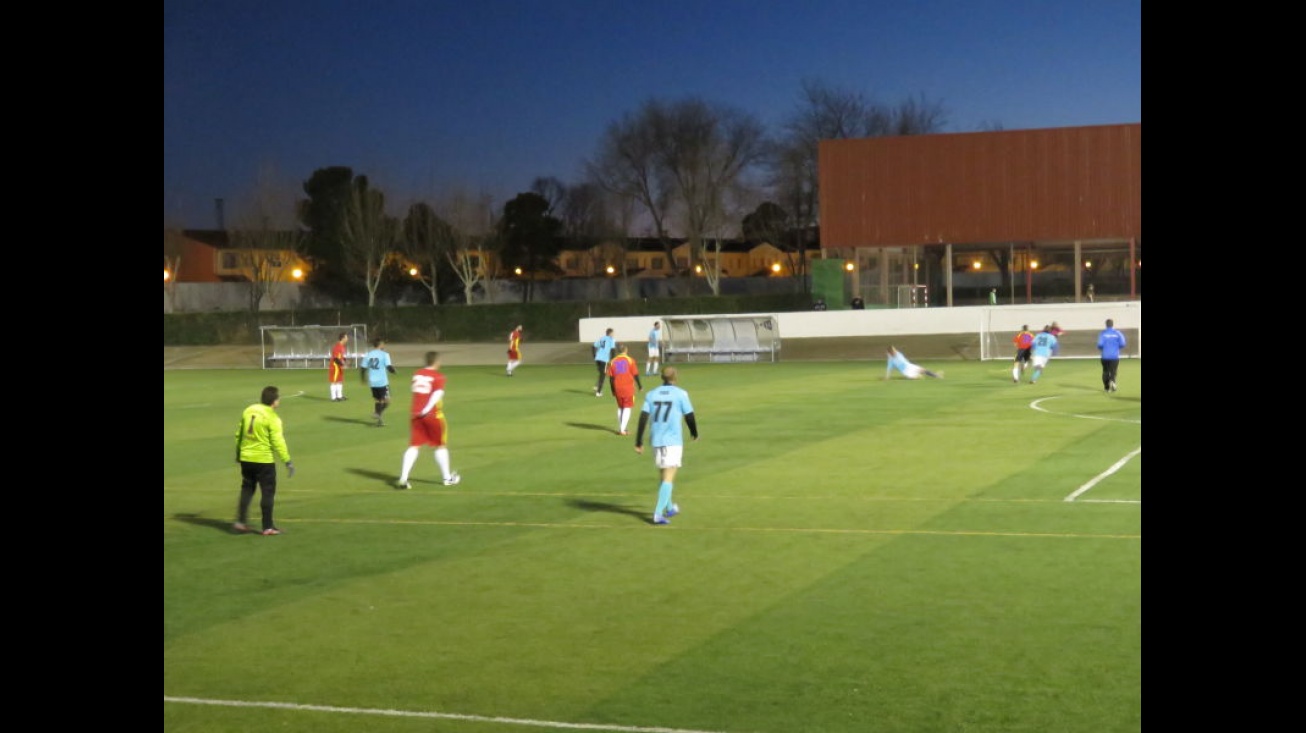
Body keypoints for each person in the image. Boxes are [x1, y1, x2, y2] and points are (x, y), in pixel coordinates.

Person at [634, 366, 698, 526]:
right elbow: (689, 415)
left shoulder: (651, 394)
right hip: (673, 441)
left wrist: (638, 441)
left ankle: (669, 507)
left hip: (656, 439)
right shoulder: (681, 394)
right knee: (669, 475)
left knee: (663, 474)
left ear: (662, 377)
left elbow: (643, 417)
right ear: (675, 377)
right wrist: (694, 432)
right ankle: (657, 513)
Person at [233, 385, 294, 536]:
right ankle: (267, 526)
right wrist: (287, 461)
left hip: (246, 458)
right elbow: (278, 441)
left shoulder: (249, 410)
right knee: (267, 492)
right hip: (263, 459)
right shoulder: (272, 417)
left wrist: (238, 453)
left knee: (247, 488)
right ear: (274, 401)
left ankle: (241, 522)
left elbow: (239, 433)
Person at [396, 351, 461, 489]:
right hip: (432, 414)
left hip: (415, 414)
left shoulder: (416, 373)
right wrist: (427, 409)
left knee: (414, 445)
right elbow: (437, 393)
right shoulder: (438, 376)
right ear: (436, 362)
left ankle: (403, 477)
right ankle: (447, 478)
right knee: (440, 445)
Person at [606, 344, 643, 435]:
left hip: (617, 386)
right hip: (628, 387)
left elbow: (611, 378)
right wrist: (640, 386)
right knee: (627, 407)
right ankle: (622, 430)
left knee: (620, 407)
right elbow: (635, 374)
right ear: (626, 350)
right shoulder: (630, 360)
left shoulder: (612, 361)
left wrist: (613, 390)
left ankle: (622, 428)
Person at [360, 337, 397, 426]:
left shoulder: (368, 354)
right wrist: (394, 371)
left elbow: (363, 368)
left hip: (373, 382)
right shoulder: (384, 354)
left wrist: (363, 379)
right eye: (383, 344)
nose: (384, 345)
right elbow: (389, 366)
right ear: (380, 345)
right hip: (382, 382)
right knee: (387, 401)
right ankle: (377, 413)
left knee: (378, 400)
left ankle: (379, 420)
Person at [1096, 318, 1126, 393]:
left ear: (1106, 325)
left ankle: (1106, 387)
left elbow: (1099, 344)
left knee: (1105, 371)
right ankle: (1112, 381)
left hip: (1105, 356)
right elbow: (1123, 343)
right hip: (1114, 356)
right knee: (1113, 371)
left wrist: (1104, 349)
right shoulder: (1117, 333)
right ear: (1113, 324)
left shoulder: (1103, 333)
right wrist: (1116, 347)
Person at [592, 328, 616, 397]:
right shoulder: (611, 340)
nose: (613, 334)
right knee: (603, 375)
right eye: (613, 333)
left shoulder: (602, 338)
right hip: (604, 359)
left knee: (602, 373)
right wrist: (613, 360)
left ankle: (597, 387)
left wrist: (594, 356)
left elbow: (593, 346)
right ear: (610, 333)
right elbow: (613, 350)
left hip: (598, 358)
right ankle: (598, 392)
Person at [328, 332, 349, 401]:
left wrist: (345, 362)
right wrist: (343, 364)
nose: (347, 339)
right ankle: (333, 397)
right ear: (343, 338)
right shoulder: (337, 347)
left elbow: (342, 357)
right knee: (334, 381)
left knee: (340, 381)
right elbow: (336, 358)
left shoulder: (342, 347)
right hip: (335, 366)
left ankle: (339, 396)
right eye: (346, 337)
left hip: (339, 367)